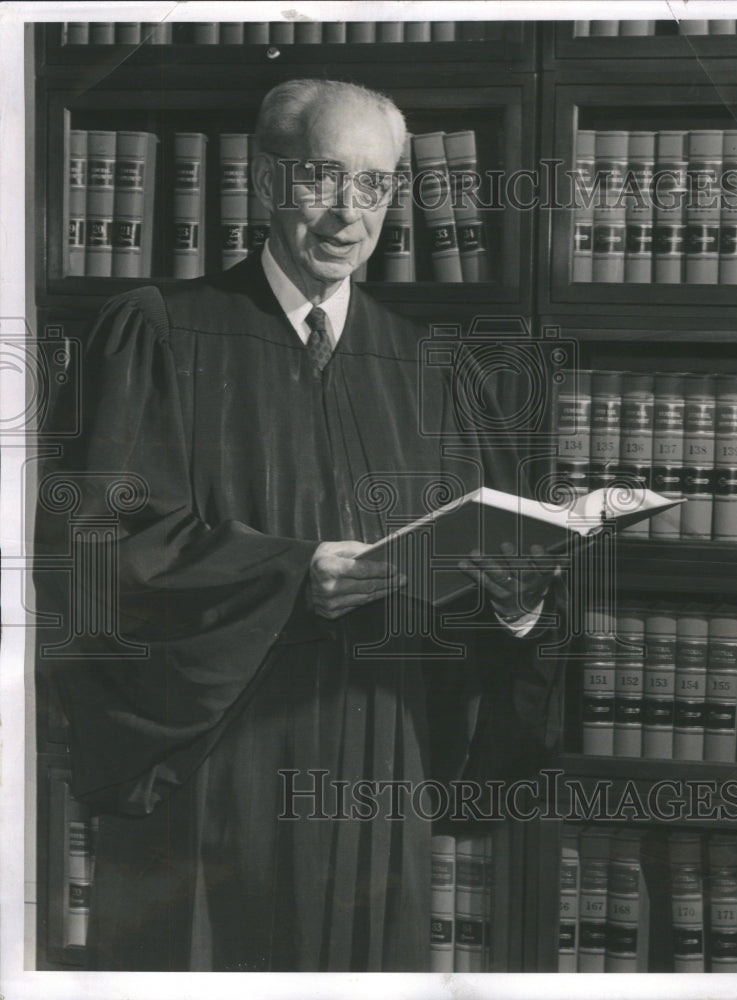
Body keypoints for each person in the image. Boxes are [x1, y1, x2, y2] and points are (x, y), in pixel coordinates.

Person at [35, 79, 565, 972]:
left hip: (379, 766)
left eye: (376, 184)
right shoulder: (161, 332)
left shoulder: (430, 368)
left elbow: (470, 565)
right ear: (265, 178)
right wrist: (287, 573)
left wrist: (512, 605)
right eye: (324, 177)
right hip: (218, 757)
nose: (348, 213)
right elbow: (87, 549)